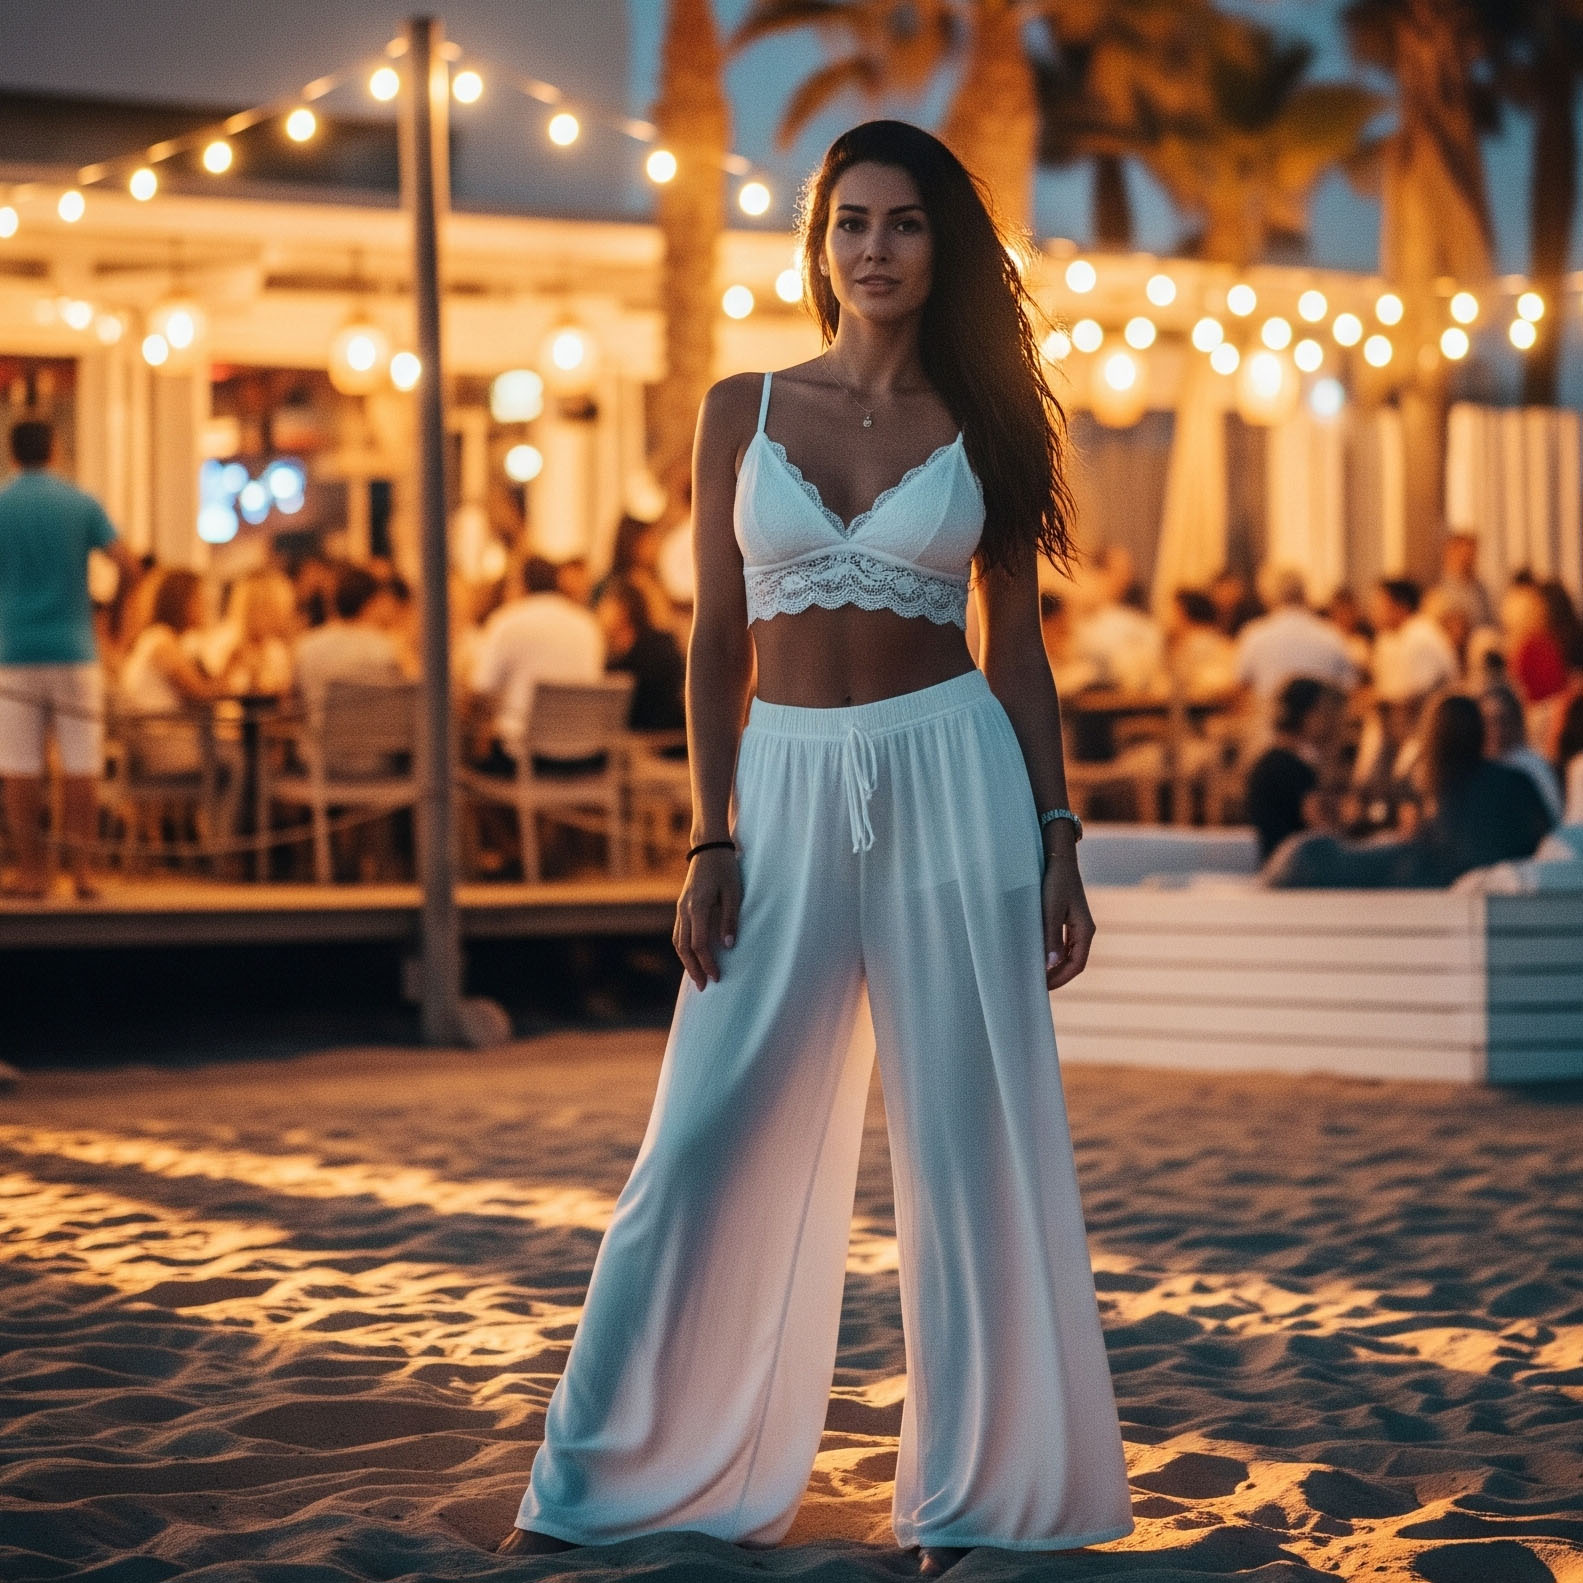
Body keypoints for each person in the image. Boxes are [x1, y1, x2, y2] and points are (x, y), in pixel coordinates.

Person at [498, 120, 1133, 1573]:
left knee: (967, 1140)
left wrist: (1056, 836)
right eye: (850, 221)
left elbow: (1017, 655)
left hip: (952, 775)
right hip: (778, 786)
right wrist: (708, 835)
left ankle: (979, 1496)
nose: (872, 248)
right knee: (701, 1133)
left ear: (940, 246)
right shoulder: (743, 405)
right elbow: (714, 638)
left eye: (902, 223)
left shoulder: (989, 423)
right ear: (818, 240)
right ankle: (610, 1477)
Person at [0, 418, 140, 898]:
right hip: (75, 648)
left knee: (20, 765)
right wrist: (115, 620)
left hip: (14, 651)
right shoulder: (79, 503)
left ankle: (32, 872)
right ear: (55, 449)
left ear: (12, 453)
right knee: (81, 763)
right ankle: (82, 871)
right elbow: (127, 564)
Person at [1266, 693, 1553, 888]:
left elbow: (1436, 852)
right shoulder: (1518, 781)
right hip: (1507, 897)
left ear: (1433, 739)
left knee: (1308, 856)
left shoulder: (1447, 789)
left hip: (1441, 892)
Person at [470, 555, 605, 766]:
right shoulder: (588, 625)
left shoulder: (507, 620)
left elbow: (481, 688)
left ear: (521, 585)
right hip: (585, 756)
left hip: (524, 758)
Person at [1233, 565, 1357, 715]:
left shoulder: (1254, 635)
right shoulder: (1331, 635)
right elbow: (1349, 687)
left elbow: (1241, 688)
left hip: (1272, 728)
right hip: (1319, 729)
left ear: (1268, 595)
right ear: (1305, 593)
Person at [1244, 677, 1344, 860]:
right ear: (1306, 714)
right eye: (1323, 712)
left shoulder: (1268, 761)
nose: (1330, 721)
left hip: (1274, 864)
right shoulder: (1290, 767)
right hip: (1295, 870)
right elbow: (1322, 831)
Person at [597, 576, 685, 732]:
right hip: (674, 735)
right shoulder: (661, 641)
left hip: (653, 740)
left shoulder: (649, 651)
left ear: (623, 609)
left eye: (605, 604)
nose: (599, 611)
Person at [1480, 682, 1563, 824]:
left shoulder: (1533, 765)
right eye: (1490, 721)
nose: (1497, 730)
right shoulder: (1475, 768)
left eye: (1503, 720)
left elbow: (1552, 814)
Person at [1426, 529, 1493, 631]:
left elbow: (1490, 623)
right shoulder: (1438, 595)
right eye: (1463, 554)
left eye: (1472, 555)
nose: (1468, 560)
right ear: (1450, 554)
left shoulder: (1481, 590)